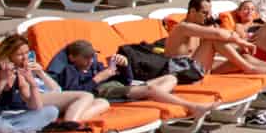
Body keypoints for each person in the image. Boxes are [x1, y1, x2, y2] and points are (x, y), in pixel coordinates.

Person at [48, 38, 180, 107]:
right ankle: (184, 104)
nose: (90, 60)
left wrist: (125, 65)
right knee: (151, 88)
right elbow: (75, 93)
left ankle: (153, 96)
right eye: (86, 57)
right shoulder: (70, 71)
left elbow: (126, 81)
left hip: (120, 87)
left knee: (171, 78)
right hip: (104, 91)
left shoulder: (95, 65)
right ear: (72, 58)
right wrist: (98, 78)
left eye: (92, 56)